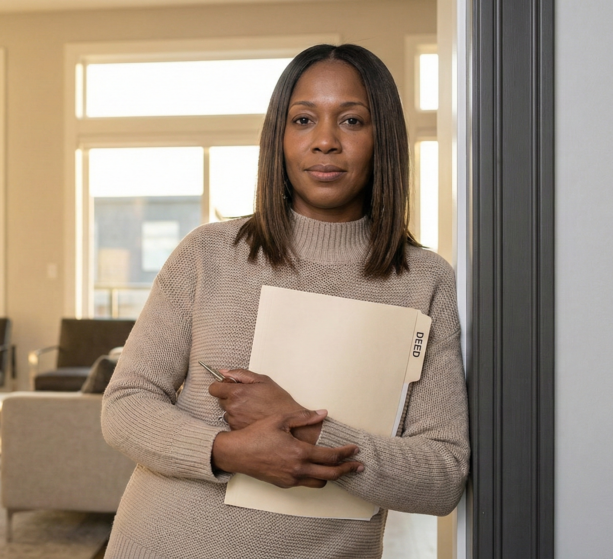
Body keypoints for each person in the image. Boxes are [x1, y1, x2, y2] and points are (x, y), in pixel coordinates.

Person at [101, 43, 469, 559]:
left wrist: (310, 429)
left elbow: (441, 477)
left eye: (351, 120)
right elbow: (125, 406)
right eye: (302, 119)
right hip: (164, 542)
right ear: (278, 137)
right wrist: (229, 450)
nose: (325, 141)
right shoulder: (209, 254)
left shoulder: (425, 281)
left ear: (382, 138)